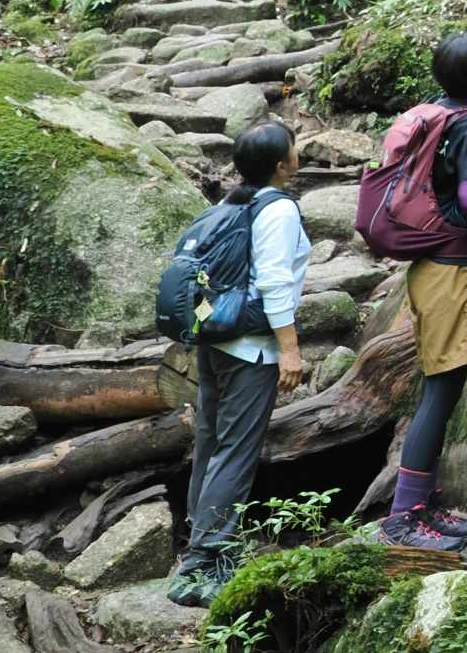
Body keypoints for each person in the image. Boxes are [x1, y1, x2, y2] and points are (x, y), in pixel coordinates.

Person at [378, 29, 467, 550]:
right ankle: (404, 517)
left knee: (444, 385)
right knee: (442, 387)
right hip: (455, 270)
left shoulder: (436, 113)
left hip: (434, 265)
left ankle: (422, 505)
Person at [168, 122, 309, 606]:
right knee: (236, 452)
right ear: (280, 164)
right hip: (252, 348)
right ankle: (203, 564)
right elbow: (273, 282)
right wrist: (289, 349)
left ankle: (197, 546)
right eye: (294, 147)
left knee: (210, 442)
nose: (299, 151)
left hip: (215, 339)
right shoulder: (279, 208)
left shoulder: (231, 201)